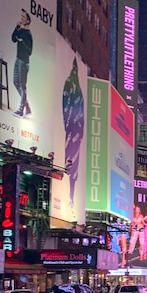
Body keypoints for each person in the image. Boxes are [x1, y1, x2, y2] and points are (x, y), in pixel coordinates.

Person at [62, 58, 84, 211]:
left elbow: (81, 112)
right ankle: (67, 197)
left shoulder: (79, 89)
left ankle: (71, 198)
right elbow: (65, 106)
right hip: (71, 132)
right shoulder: (69, 84)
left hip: (76, 133)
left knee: (73, 166)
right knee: (67, 164)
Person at [12, 8, 33, 118]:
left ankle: (21, 110)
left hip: (24, 62)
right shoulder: (20, 30)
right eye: (21, 17)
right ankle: (27, 107)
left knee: (22, 86)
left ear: (28, 21)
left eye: (23, 17)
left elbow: (30, 51)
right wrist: (16, 28)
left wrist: (22, 42)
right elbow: (13, 39)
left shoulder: (28, 35)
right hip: (17, 59)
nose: (21, 19)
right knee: (15, 82)